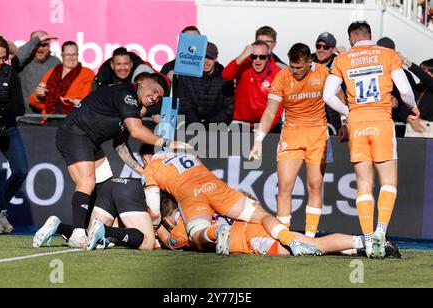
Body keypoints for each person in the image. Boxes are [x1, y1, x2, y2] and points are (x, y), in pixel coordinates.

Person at [55, 72, 189, 246]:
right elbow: (137, 131)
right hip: (75, 134)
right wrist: (170, 143)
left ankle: (67, 229)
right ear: (143, 82)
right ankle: (78, 234)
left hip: (89, 141)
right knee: (87, 183)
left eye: (159, 96)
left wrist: (142, 170)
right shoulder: (127, 95)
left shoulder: (134, 106)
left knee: (106, 187)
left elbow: (120, 146)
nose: (155, 97)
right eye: (154, 90)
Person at [322, 21, 420, 258]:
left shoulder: (343, 58)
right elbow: (405, 91)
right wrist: (413, 108)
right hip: (381, 121)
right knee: (388, 182)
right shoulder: (386, 54)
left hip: (357, 123)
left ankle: (367, 239)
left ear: (352, 38)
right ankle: (381, 233)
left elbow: (327, 95)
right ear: (370, 36)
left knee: (364, 184)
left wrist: (348, 112)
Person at [140, 144, 321, 256]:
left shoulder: (151, 168)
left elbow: (154, 211)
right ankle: (291, 241)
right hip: (216, 187)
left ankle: (216, 232)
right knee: (262, 216)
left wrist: (154, 230)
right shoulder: (185, 153)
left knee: (197, 236)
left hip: (192, 196)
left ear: (147, 157)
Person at [249, 43, 344, 237]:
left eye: (299, 67)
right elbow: (270, 111)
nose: (294, 71)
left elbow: (340, 95)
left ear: (310, 62)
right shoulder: (283, 77)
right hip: (291, 134)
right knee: (284, 185)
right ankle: (284, 237)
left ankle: (310, 237)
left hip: (318, 134)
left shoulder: (324, 73)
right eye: (292, 66)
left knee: (315, 184)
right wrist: (258, 139)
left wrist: (344, 121)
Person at [157, 193, 401, 258]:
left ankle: (364, 243)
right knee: (312, 244)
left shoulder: (181, 230)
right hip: (258, 227)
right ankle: (363, 243)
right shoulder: (203, 207)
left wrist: (155, 226)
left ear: (169, 219)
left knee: (311, 249)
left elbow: (170, 243)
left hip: (251, 241)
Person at [33, 167, 155, 251]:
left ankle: (59, 226)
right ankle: (104, 230)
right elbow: (157, 218)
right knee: (148, 243)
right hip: (130, 189)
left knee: (91, 236)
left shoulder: (159, 167)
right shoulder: (158, 176)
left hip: (110, 184)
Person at [0, 36, 28, 235]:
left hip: (6, 127)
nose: (0, 62)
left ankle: (0, 208)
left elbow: (19, 107)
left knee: (21, 170)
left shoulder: (10, 74)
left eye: (4, 58)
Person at [28, 41, 94, 125]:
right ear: (62, 55)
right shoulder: (52, 73)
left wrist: (72, 102)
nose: (71, 58)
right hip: (49, 120)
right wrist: (39, 96)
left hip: (73, 120)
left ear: (78, 55)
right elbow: (33, 101)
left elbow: (87, 101)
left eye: (74, 54)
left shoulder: (87, 74)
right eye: (68, 55)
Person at [222, 40, 283, 132]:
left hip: (268, 124)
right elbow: (226, 75)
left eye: (262, 57)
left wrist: (264, 129)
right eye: (254, 56)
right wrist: (242, 55)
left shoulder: (277, 73)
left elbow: (278, 106)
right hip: (242, 124)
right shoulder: (244, 65)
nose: (257, 60)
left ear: (268, 57)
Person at [179, 42, 234, 127]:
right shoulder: (188, 76)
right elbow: (185, 104)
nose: (205, 61)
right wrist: (196, 124)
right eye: (203, 57)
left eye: (209, 57)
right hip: (191, 127)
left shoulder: (225, 78)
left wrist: (208, 125)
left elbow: (228, 109)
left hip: (216, 128)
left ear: (216, 58)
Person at [12, 30, 61, 124]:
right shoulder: (23, 62)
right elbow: (15, 59)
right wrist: (36, 40)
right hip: (25, 119)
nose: (40, 48)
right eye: (37, 44)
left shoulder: (55, 62)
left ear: (50, 46)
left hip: (48, 119)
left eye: (44, 44)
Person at [376, 37, 417, 137]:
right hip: (376, 124)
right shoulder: (370, 72)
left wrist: (398, 104)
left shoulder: (405, 75)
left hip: (398, 126)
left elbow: (411, 98)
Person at [398, 56, 433, 134]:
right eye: (421, 70)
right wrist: (408, 118)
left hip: (430, 130)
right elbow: (403, 107)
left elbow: (427, 79)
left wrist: (408, 63)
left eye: (424, 71)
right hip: (412, 129)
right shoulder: (417, 88)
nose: (421, 74)